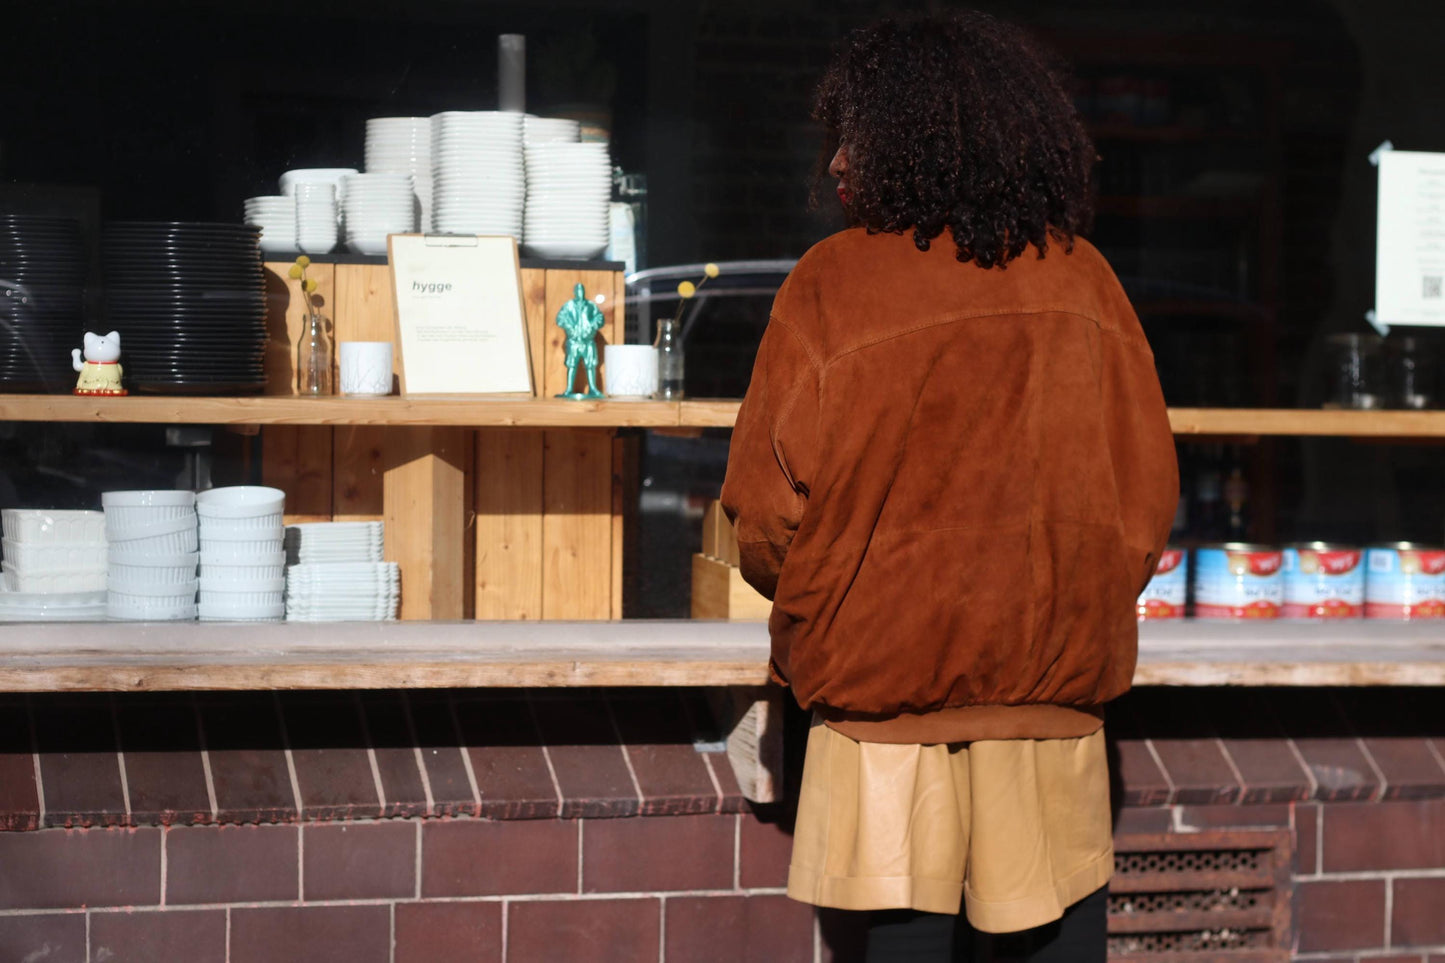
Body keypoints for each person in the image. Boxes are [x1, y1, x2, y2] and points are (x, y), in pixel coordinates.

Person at [719, 11, 1179, 962]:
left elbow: (764, 516)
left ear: (898, 141)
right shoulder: (1086, 283)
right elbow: (1140, 513)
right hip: (1048, 722)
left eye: (853, 130)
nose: (838, 160)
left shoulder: (833, 284)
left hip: (881, 717)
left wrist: (829, 606)